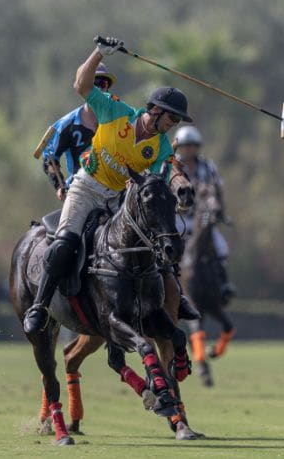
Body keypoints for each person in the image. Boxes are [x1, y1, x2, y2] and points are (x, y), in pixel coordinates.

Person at [23, 36, 193, 335]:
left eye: (178, 120)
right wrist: (98, 54)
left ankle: (173, 298)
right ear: (154, 110)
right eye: (172, 116)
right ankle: (40, 304)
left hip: (118, 199)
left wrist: (179, 189)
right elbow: (81, 86)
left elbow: (159, 178)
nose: (174, 123)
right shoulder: (116, 112)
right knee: (65, 243)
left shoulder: (161, 148)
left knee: (154, 248)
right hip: (86, 188)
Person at [174, 125, 237, 300]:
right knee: (165, 247)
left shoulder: (208, 166)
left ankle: (223, 284)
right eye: (185, 145)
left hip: (201, 219)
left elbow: (217, 190)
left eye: (192, 145)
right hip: (177, 218)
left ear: (197, 147)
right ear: (179, 147)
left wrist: (221, 213)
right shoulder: (172, 165)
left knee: (221, 247)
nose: (188, 149)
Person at [41, 63, 118, 201]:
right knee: (68, 224)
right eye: (93, 84)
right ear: (83, 88)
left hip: (116, 191)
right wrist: (60, 186)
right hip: (81, 192)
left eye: (103, 83)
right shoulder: (67, 124)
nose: (98, 89)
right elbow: (49, 157)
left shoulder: (120, 119)